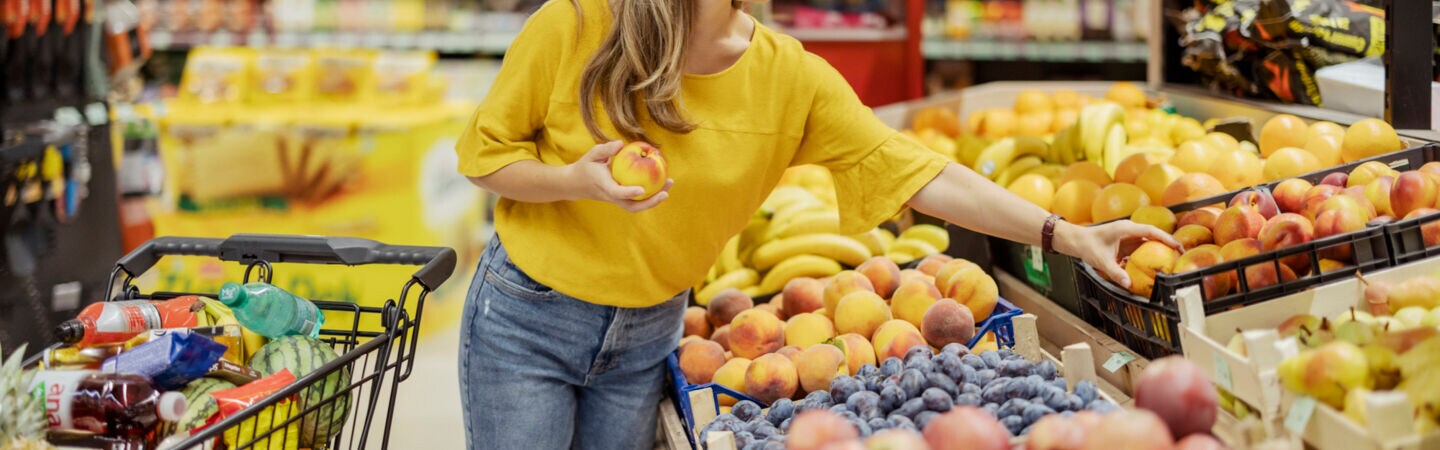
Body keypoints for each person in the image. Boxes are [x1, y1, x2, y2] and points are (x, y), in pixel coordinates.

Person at [454, 0, 1178, 448]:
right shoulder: (577, 22)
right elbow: (483, 157)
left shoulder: (787, 77)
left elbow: (921, 171)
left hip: (649, 337)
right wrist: (575, 181)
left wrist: (1068, 233)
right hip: (529, 319)